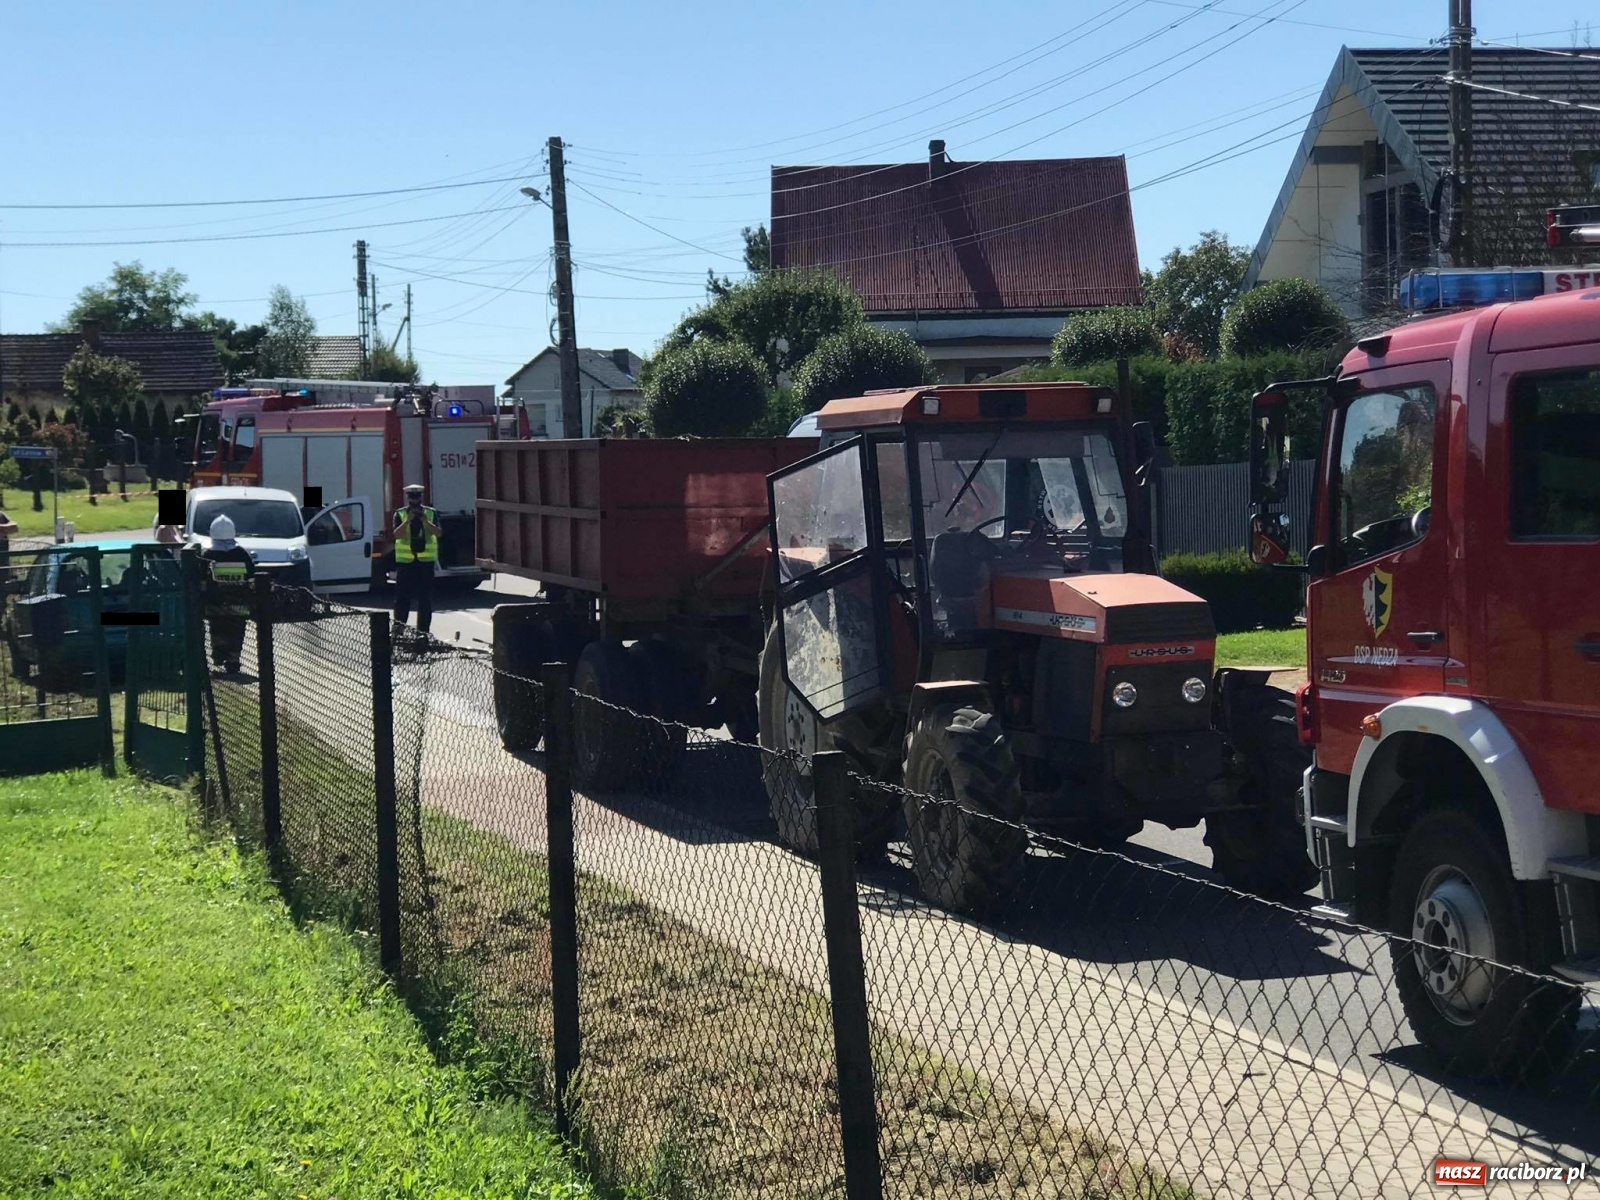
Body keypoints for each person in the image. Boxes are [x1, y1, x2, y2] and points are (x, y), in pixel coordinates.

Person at [200, 514, 255, 673]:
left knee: (217, 629)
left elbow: (201, 580)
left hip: (215, 604)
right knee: (237, 632)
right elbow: (251, 578)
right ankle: (233, 661)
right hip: (239, 604)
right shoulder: (242, 554)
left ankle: (219, 654)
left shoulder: (208, 555)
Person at [392, 483, 441, 642]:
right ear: (408, 498)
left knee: (425, 600)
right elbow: (397, 535)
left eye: (417, 497)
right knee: (402, 599)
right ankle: (399, 631)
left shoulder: (430, 513)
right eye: (412, 497)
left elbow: (439, 533)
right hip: (406, 563)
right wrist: (407, 521)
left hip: (425, 563)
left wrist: (426, 522)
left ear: (421, 497)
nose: (415, 500)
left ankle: (423, 633)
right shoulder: (400, 514)